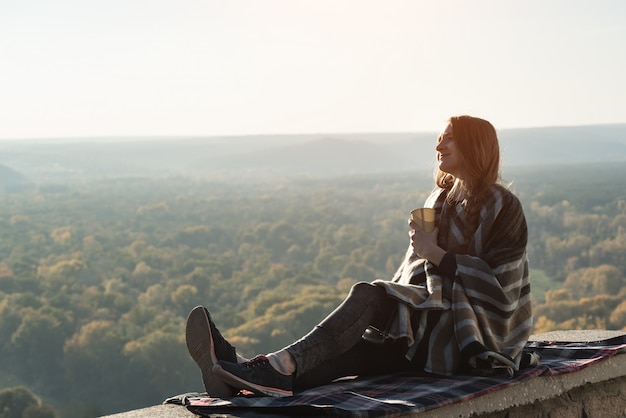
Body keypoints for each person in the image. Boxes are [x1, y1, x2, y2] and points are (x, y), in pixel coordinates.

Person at [186, 115, 532, 398]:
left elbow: (503, 290)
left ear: (474, 145)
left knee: (368, 295)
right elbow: (419, 274)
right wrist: (425, 257)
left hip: (467, 340)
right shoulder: (438, 200)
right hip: (424, 329)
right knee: (339, 356)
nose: (438, 145)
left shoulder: (504, 207)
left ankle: (263, 368)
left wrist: (435, 253)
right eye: (439, 138)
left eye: (449, 138)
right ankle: (242, 372)